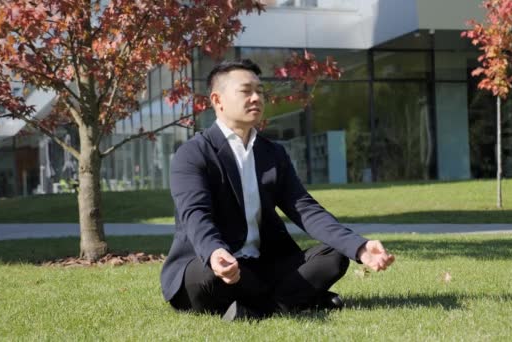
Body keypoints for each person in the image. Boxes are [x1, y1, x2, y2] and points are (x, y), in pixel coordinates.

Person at [160, 59, 395, 321]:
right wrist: (215, 252)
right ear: (218, 100)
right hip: (214, 263)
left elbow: (305, 209)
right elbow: (195, 215)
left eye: (260, 91)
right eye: (246, 91)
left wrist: (359, 247)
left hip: (263, 265)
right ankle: (298, 299)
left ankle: (258, 309)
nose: (256, 98)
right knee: (207, 277)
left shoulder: (273, 153)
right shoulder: (193, 154)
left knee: (334, 256)